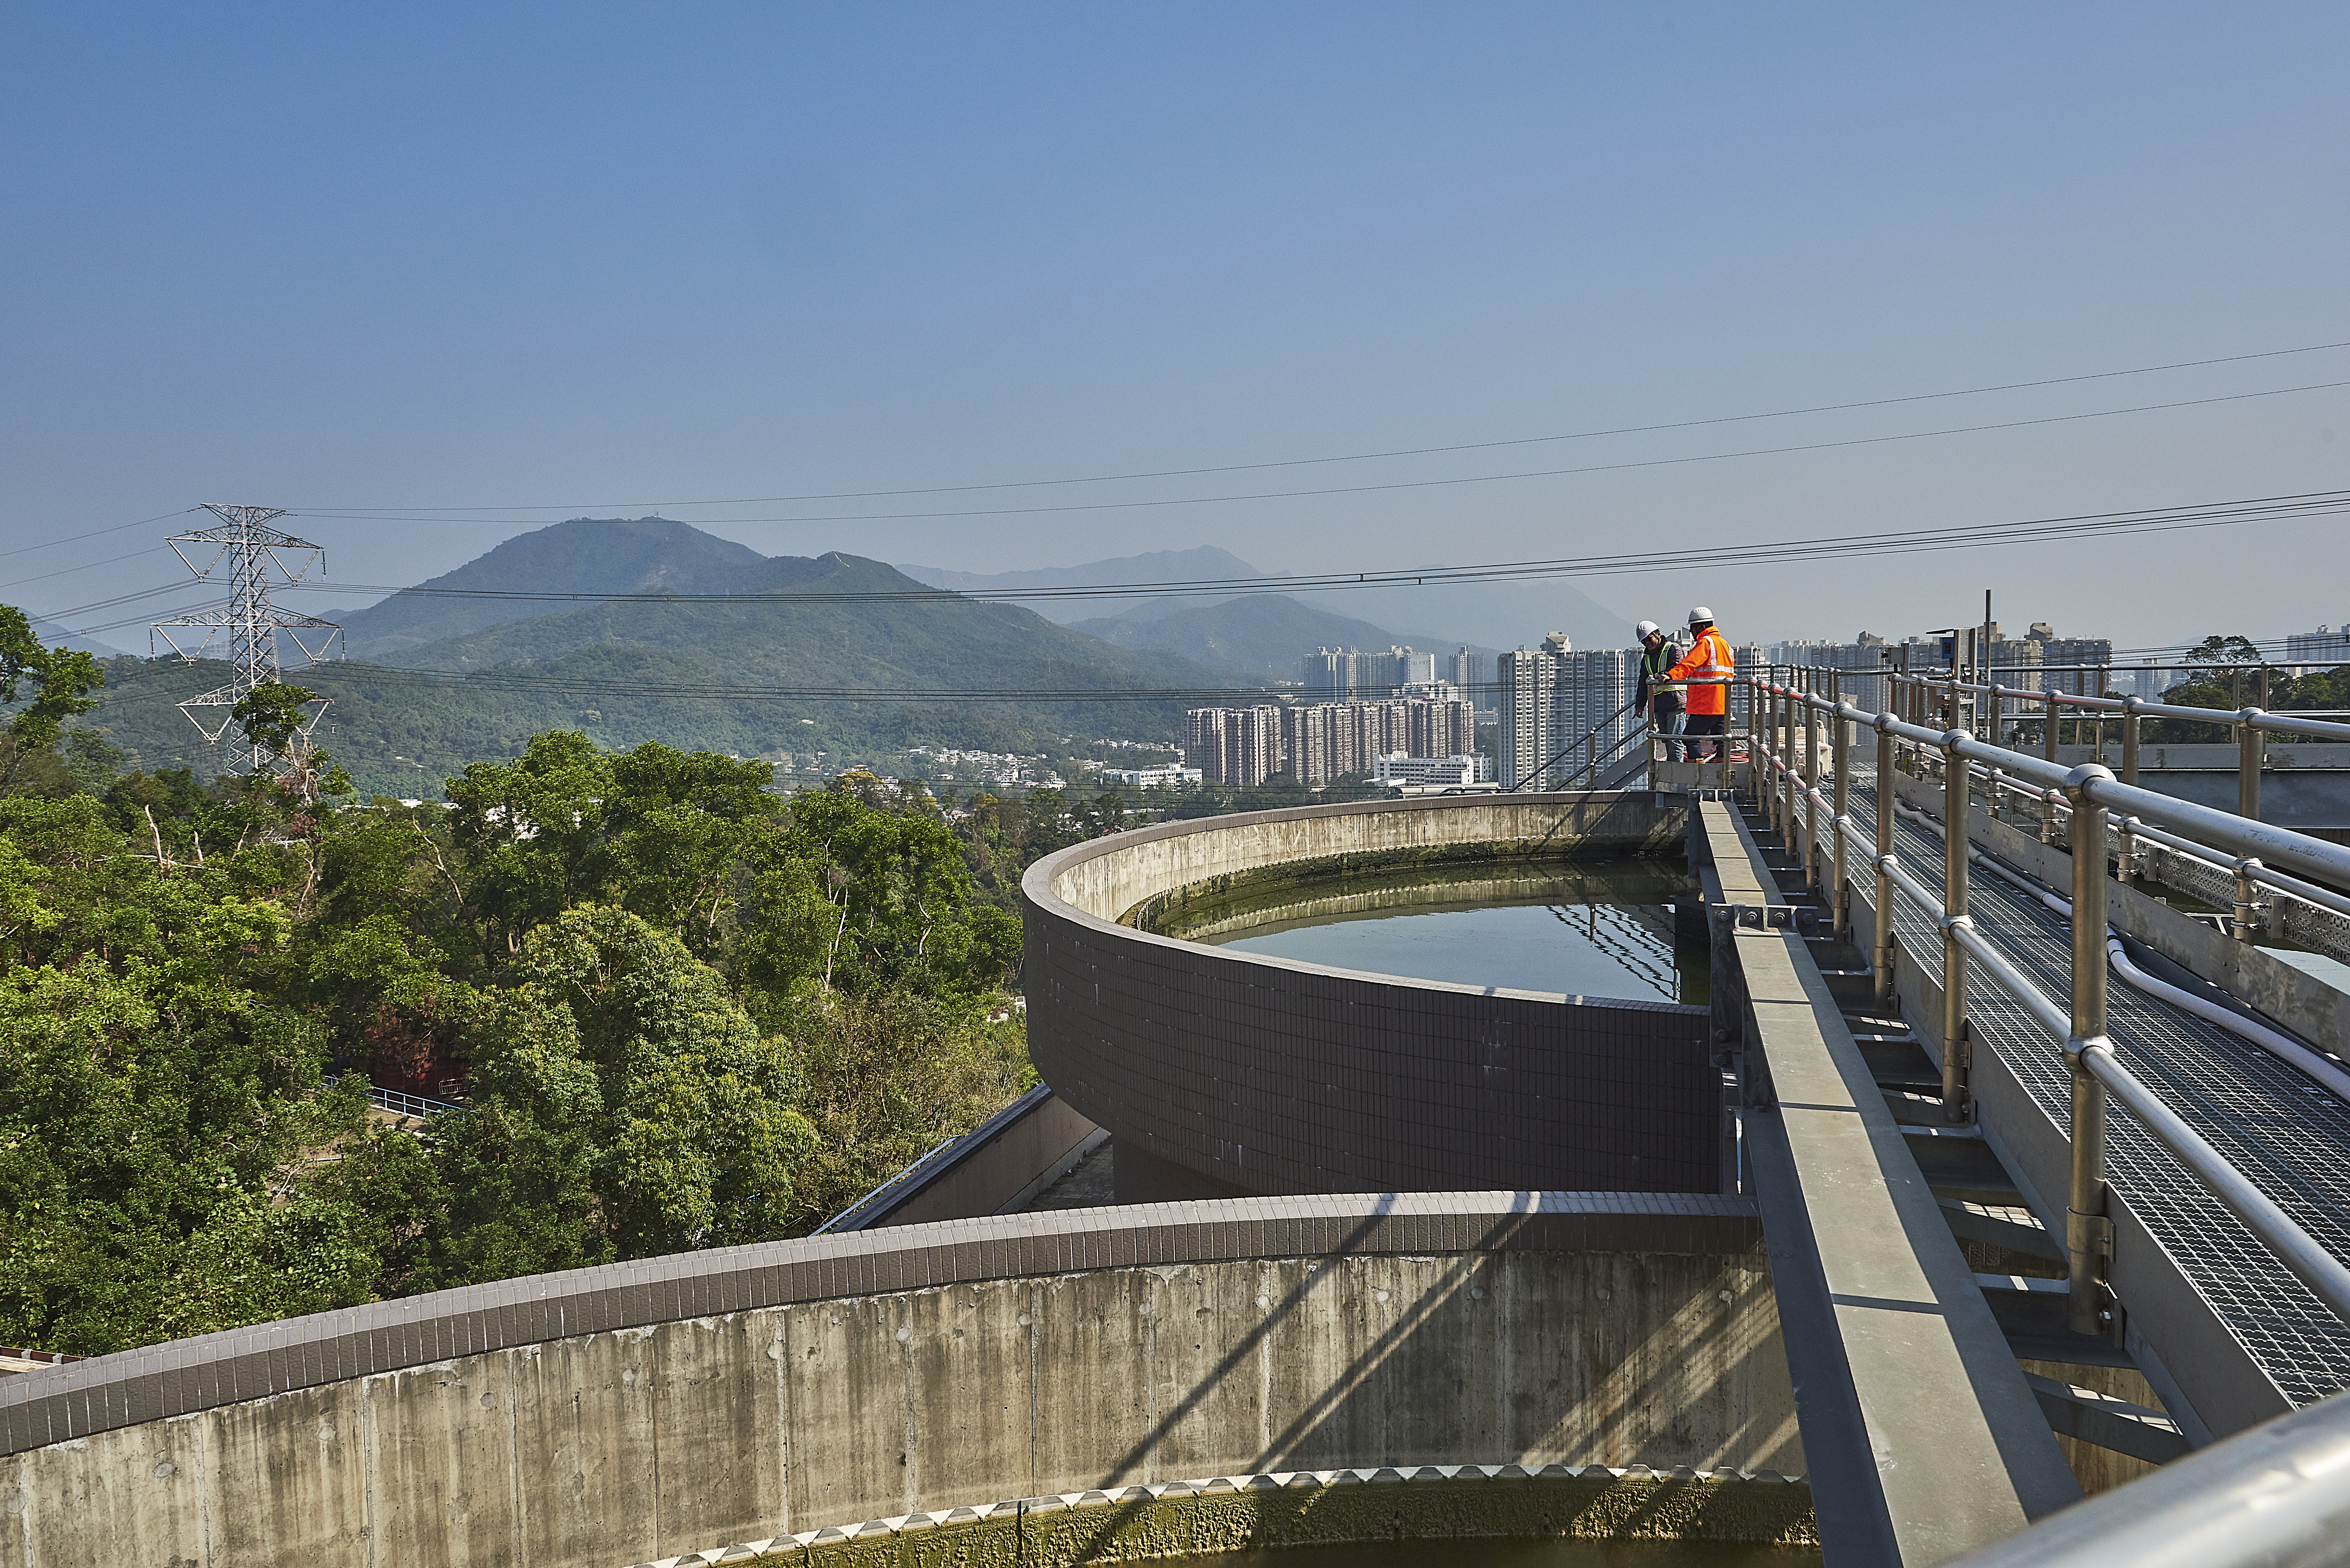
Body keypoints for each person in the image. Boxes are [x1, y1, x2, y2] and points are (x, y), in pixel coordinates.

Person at [1665, 606, 1735, 761]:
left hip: (1707, 702)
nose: (1691, 631)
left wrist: (1670, 676)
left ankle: (1696, 770)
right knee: (1722, 738)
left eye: (1693, 627)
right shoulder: (1725, 645)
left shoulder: (1706, 643)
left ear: (1702, 627)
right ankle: (1724, 768)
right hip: (1723, 702)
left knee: (1691, 737)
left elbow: (1688, 664)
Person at [1634, 619, 1685, 762]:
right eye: (1644, 642)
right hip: (1659, 705)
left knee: (1675, 740)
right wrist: (1640, 706)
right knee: (1667, 740)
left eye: (1649, 639)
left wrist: (1660, 676)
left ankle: (1677, 776)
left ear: (1658, 634)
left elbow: (1677, 667)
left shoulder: (1673, 649)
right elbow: (1643, 682)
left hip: (1676, 702)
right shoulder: (1647, 658)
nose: (1647, 643)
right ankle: (1673, 771)